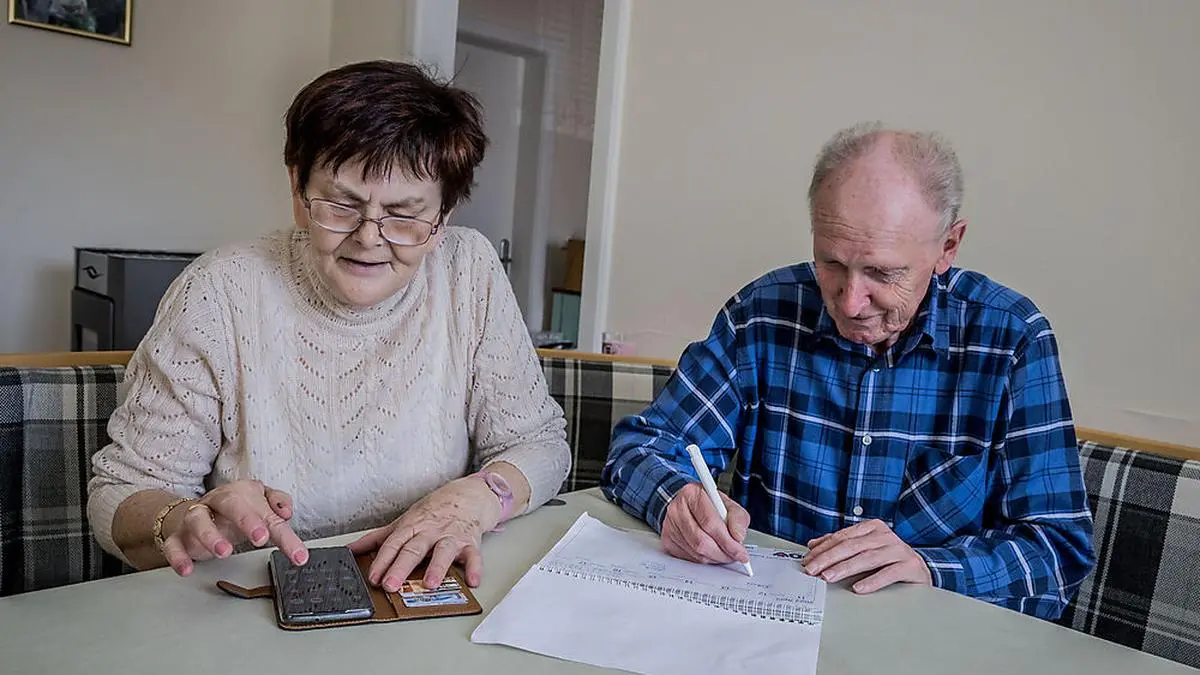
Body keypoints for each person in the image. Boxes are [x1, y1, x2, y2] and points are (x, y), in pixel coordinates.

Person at [86, 60, 572, 595]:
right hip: (253, 606)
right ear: (297, 188)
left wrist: (474, 500)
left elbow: (539, 444)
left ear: (445, 216)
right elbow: (119, 494)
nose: (370, 237)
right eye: (342, 205)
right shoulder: (219, 290)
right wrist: (181, 519)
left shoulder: (469, 269)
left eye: (406, 214)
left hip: (415, 598)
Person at [600, 122, 1095, 619]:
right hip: (765, 626)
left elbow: (1057, 549)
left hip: (928, 639)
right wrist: (676, 501)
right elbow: (641, 448)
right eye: (831, 263)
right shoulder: (761, 314)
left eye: (882, 272)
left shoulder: (1010, 339)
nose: (852, 302)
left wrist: (929, 568)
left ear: (948, 246)